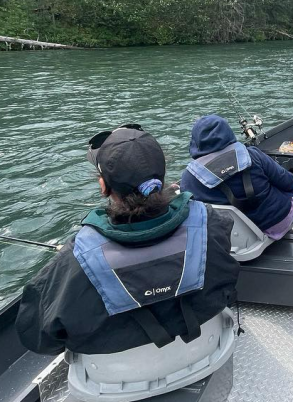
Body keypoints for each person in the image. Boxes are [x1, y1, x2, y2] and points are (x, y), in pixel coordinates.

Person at [16, 125, 240, 355]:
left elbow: (38, 337)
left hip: (115, 380)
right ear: (161, 178)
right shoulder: (210, 223)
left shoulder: (75, 258)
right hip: (205, 352)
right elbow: (227, 283)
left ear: (103, 186)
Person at [180, 115, 293, 239]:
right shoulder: (253, 155)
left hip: (227, 235)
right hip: (276, 223)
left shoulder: (189, 178)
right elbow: (290, 184)